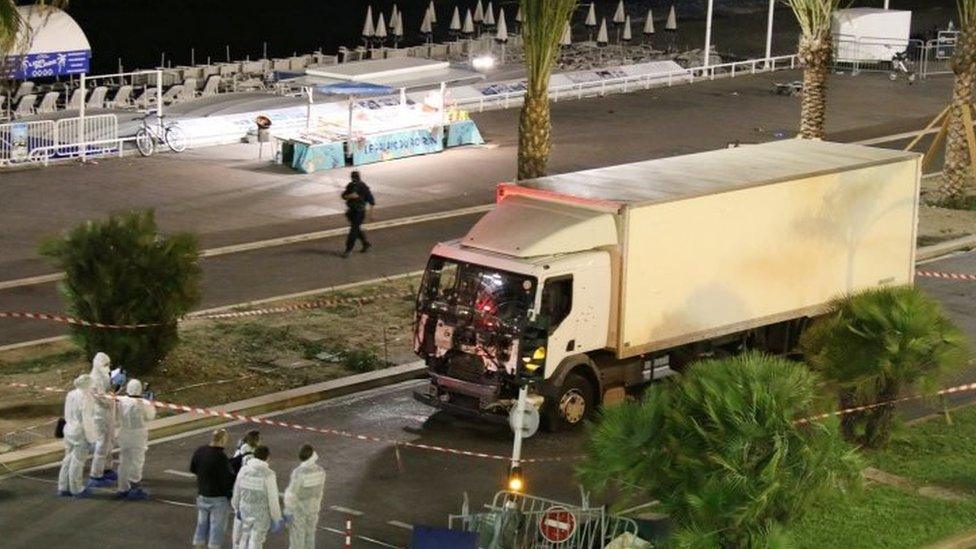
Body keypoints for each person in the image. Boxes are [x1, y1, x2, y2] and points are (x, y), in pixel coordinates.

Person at [191, 429, 236, 549]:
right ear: (223, 439)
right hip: (218, 499)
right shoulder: (221, 457)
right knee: (216, 529)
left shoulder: (200, 451)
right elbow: (227, 479)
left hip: (202, 495)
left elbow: (193, 468)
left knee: (201, 526)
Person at [232, 445, 283, 549]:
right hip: (261, 514)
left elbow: (237, 490)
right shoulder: (268, 474)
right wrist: (276, 517)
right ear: (267, 457)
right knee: (256, 541)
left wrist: (236, 507)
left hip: (245, 509)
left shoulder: (244, 470)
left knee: (244, 537)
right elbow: (273, 499)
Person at [57, 374, 98, 497]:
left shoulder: (71, 394)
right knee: (78, 461)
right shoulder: (86, 397)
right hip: (80, 432)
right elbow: (87, 419)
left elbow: (67, 412)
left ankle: (63, 486)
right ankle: (76, 488)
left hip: (69, 428)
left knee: (68, 458)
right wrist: (92, 438)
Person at [116, 378, 156, 500]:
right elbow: (150, 416)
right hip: (138, 435)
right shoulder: (143, 403)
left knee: (124, 461)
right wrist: (150, 403)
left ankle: (122, 487)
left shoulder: (121, 400)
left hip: (123, 432)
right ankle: (135, 486)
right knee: (137, 461)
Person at [282, 444, 326, 549]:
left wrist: (287, 512)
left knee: (297, 540)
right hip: (313, 510)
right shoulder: (321, 471)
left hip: (299, 511)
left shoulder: (298, 472)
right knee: (310, 537)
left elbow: (291, 495)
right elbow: (320, 492)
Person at [87, 352, 118, 487]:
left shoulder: (105, 376)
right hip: (99, 415)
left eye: (108, 364)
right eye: (104, 364)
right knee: (102, 444)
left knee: (110, 442)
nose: (107, 367)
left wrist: (116, 387)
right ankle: (96, 474)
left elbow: (111, 390)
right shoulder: (93, 379)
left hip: (109, 414)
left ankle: (107, 468)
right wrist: (112, 396)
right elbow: (101, 398)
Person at [231, 429, 261, 545]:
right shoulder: (249, 455)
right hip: (245, 493)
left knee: (238, 528)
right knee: (245, 532)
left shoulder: (242, 447)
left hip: (238, 489)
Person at [340, 170, 375, 258]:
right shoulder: (352, 185)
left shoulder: (362, 186)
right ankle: (365, 243)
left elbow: (371, 201)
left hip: (359, 212)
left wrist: (371, 215)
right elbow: (344, 195)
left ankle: (348, 249)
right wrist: (350, 196)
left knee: (353, 231)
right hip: (352, 212)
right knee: (356, 229)